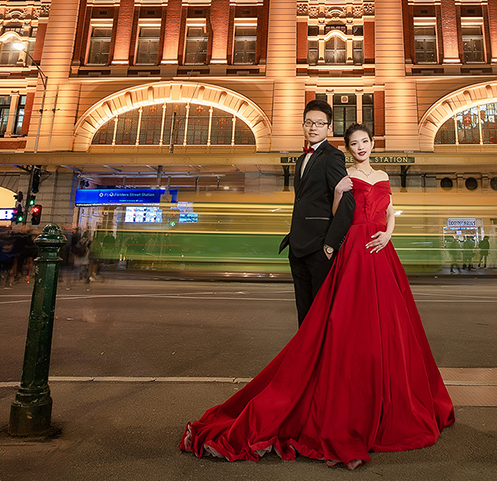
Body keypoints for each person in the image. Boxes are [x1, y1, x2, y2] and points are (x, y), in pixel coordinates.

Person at [182, 123, 454, 467]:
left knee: (393, 326)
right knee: (349, 322)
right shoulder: (346, 175)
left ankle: (389, 392)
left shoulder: (384, 175)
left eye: (365, 141)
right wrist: (337, 203)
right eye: (354, 143)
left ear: (372, 143)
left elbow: (389, 212)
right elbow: (338, 214)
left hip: (381, 250)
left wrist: (388, 234)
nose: (360, 147)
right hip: (354, 249)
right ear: (349, 148)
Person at [278, 99, 355, 325]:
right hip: (298, 248)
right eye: (309, 122)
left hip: (319, 249)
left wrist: (330, 245)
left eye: (320, 123)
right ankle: (306, 349)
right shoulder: (302, 158)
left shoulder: (332, 156)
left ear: (329, 128)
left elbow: (347, 203)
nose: (313, 128)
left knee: (321, 313)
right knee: (304, 312)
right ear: (303, 125)